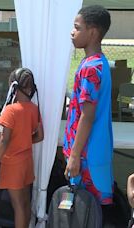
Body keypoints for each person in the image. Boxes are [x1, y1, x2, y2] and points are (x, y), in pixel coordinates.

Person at [63, 5, 114, 207]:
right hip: (93, 153)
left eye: (77, 27)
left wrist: (74, 155)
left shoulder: (91, 68)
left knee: (83, 213)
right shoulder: (99, 62)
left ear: (92, 32)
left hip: (86, 158)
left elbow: (87, 115)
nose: (72, 32)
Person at [0, 68, 43, 228]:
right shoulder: (34, 109)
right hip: (27, 162)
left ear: (14, 87)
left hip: (12, 164)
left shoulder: (10, 111)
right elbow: (40, 136)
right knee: (25, 203)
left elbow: (4, 140)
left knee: (17, 205)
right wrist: (24, 140)